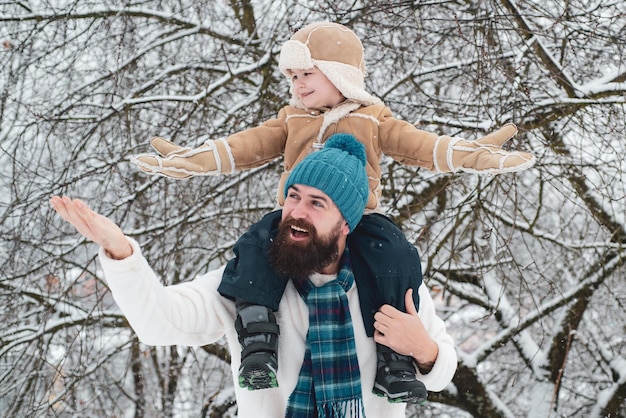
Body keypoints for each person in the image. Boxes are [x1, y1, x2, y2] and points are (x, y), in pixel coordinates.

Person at [131, 21, 534, 402]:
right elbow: (243, 147)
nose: (298, 84)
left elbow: (423, 147)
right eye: (292, 77)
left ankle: (394, 359)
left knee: (395, 257)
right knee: (254, 248)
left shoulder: (372, 119)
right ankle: (257, 332)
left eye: (307, 73)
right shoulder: (291, 120)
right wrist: (193, 160)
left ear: (339, 73)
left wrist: (474, 156)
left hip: (362, 219)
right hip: (296, 222)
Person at [49, 135, 457, 417]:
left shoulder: (389, 286)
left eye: (318, 203)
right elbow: (160, 322)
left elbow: (441, 371)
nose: (297, 211)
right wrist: (121, 252)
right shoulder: (249, 286)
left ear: (345, 224)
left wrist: (424, 348)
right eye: (294, 196)